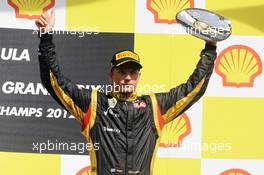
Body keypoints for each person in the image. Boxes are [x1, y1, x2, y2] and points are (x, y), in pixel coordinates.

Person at [36, 11, 217, 175]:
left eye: (133, 73)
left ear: (139, 76)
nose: (127, 78)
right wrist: (45, 37)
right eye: (122, 72)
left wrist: (210, 46)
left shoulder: (154, 106)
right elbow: (54, 82)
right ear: (111, 75)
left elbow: (193, 88)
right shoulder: (94, 103)